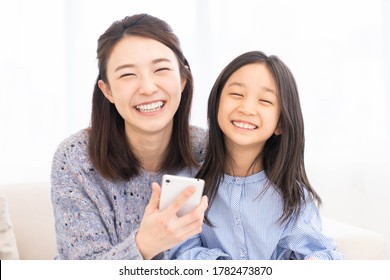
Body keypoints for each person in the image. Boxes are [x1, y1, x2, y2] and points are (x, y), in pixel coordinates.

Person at [50, 13, 224, 260]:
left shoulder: (210, 150)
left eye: (161, 69)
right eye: (128, 75)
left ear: (183, 79)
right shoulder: (76, 159)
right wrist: (144, 245)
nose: (148, 88)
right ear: (107, 90)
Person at [170, 51, 343, 260]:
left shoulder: (292, 194)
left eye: (265, 101)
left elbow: (322, 253)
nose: (247, 108)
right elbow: (178, 253)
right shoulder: (184, 183)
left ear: (281, 123)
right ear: (216, 102)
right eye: (236, 94)